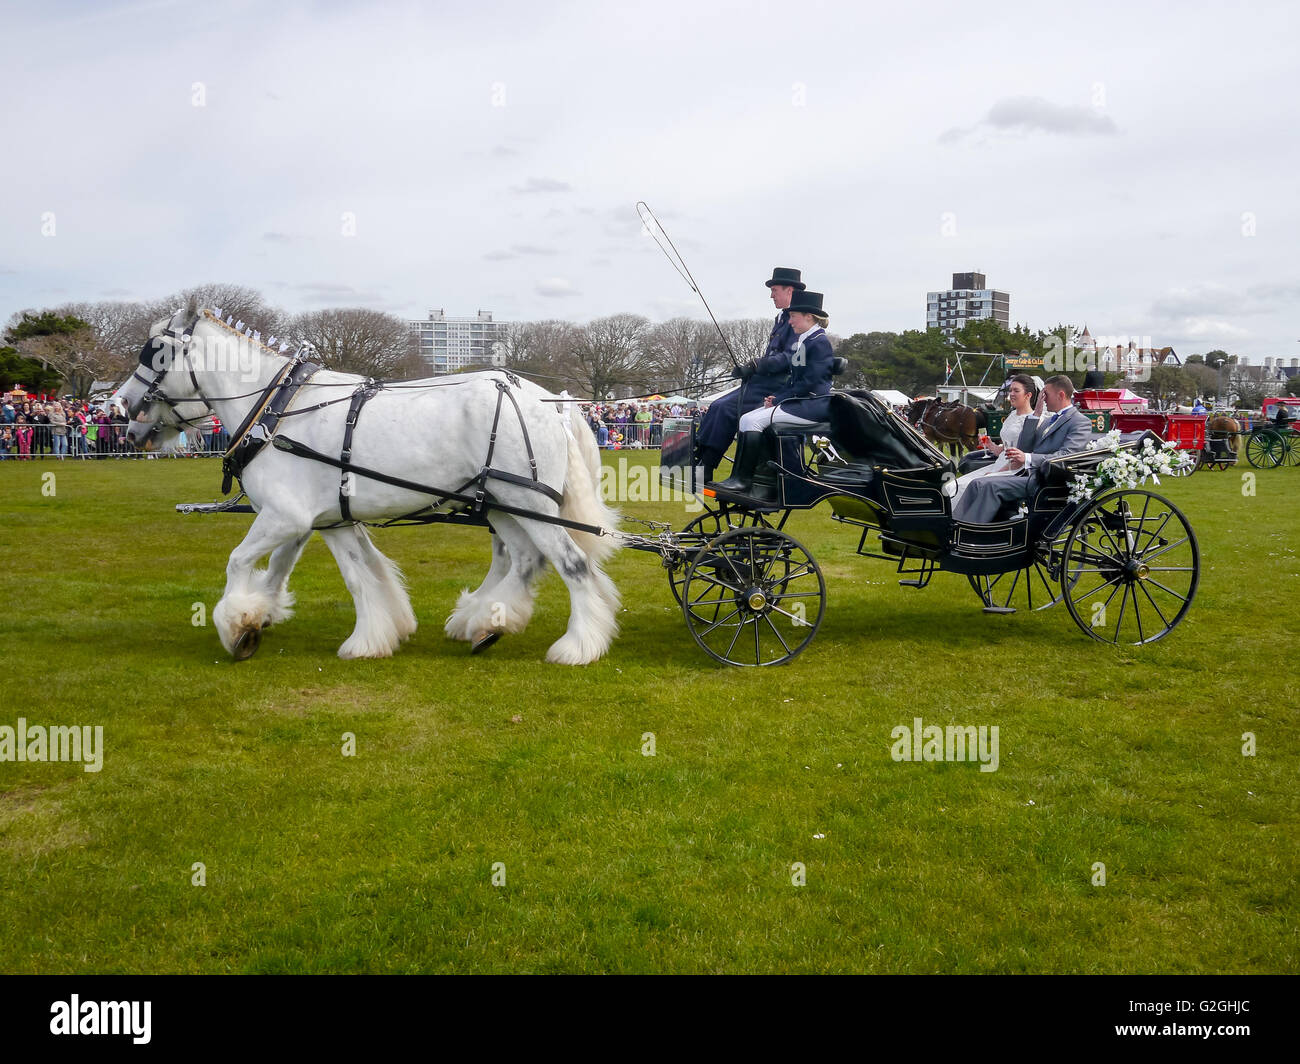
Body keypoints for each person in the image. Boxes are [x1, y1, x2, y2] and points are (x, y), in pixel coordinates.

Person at [715, 290, 834, 498]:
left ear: (808, 316)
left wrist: (780, 399)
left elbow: (810, 383)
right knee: (747, 419)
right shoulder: (805, 341)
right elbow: (794, 380)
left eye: (793, 317)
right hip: (800, 402)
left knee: (752, 421)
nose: (789, 322)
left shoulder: (818, 342)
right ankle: (749, 479)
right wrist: (776, 397)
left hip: (812, 406)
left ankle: (743, 480)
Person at [694, 266, 806, 479]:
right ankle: (699, 455)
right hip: (762, 382)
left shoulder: (798, 319)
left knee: (725, 408)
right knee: (716, 406)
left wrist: (756, 365)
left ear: (789, 290)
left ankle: (706, 467)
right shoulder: (782, 319)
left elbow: (789, 357)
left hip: (779, 386)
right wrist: (750, 370)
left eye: (775, 290)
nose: (771, 295)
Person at [951, 375, 1095, 524]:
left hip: (1044, 479)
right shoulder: (1046, 420)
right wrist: (1036, 414)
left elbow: (1066, 456)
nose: (1043, 399)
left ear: (1061, 395)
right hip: (1025, 473)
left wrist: (1028, 458)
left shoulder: (1080, 422)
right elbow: (1025, 446)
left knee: (988, 485)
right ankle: (957, 524)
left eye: (1046, 395)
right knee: (977, 483)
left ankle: (971, 532)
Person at [952, 375, 1038, 503]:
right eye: (1010, 390)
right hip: (1000, 463)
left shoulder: (1032, 421)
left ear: (1028, 395)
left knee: (964, 487)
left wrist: (995, 474)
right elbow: (1004, 449)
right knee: (954, 486)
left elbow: (1019, 460)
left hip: (1013, 470)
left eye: (1016, 391)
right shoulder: (1012, 414)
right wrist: (991, 445)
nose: (1011, 394)